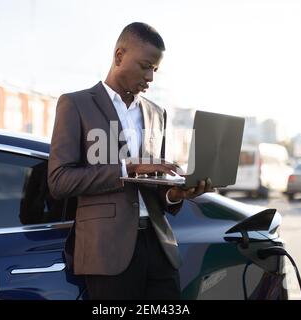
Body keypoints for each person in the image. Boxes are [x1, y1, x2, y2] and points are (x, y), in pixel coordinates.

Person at [48, 22, 213, 300]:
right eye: (145, 66)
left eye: (155, 70)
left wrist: (176, 193)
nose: (150, 77)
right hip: (107, 251)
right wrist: (129, 168)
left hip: (159, 247)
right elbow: (59, 180)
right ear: (119, 56)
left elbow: (156, 188)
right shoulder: (75, 105)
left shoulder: (156, 113)